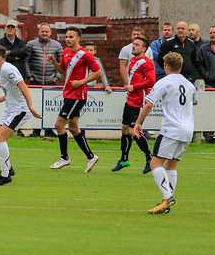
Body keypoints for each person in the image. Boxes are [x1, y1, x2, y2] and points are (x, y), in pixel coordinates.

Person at [132, 52, 197, 214]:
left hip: (171, 129)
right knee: (171, 165)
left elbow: (148, 105)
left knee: (155, 164)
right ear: (180, 66)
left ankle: (168, 195)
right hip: (188, 130)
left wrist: (138, 123)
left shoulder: (163, 82)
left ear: (166, 66)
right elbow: (195, 101)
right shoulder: (189, 85)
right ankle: (166, 202)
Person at [46, 26, 107, 171]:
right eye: (66, 36)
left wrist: (81, 82)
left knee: (58, 125)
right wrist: (54, 63)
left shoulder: (85, 54)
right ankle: (91, 157)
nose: (68, 39)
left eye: (71, 37)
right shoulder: (66, 52)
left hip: (78, 96)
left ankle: (64, 157)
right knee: (73, 128)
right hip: (68, 94)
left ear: (78, 39)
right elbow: (63, 70)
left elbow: (98, 72)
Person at [0, 45, 42, 185]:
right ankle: (8, 168)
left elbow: (23, 85)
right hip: (10, 109)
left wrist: (30, 106)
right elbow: (11, 91)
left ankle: (5, 175)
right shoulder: (2, 69)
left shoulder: (7, 69)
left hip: (20, 110)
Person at [113, 36, 155, 173]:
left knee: (133, 130)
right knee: (125, 129)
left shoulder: (146, 63)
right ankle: (124, 159)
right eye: (133, 44)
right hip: (130, 99)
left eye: (137, 45)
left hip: (139, 101)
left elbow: (151, 81)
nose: (133, 46)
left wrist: (134, 87)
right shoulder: (132, 61)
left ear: (144, 49)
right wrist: (129, 88)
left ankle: (150, 159)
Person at [195, 25, 215, 142]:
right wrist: (206, 75)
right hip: (210, 83)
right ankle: (208, 134)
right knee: (209, 109)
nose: (212, 35)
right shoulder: (204, 49)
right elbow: (199, 64)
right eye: (211, 32)